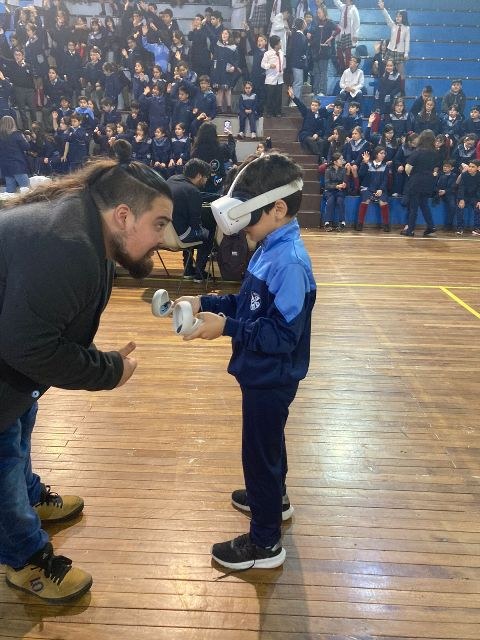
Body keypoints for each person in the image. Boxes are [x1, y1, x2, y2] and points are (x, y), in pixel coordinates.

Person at [0, 139, 173, 603]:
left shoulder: (84, 228)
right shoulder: (68, 244)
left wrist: (99, 359)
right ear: (123, 216)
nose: (163, 238)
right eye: (159, 224)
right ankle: (25, 558)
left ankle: (27, 496)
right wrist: (109, 371)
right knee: (2, 457)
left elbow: (45, 325)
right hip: (9, 359)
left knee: (18, 422)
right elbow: (27, 346)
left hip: (11, 367)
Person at [175, 152, 316, 569]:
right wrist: (206, 302)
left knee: (258, 457)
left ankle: (265, 543)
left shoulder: (290, 263)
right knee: (267, 445)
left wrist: (227, 328)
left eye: (248, 216)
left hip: (271, 377)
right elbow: (248, 304)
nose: (242, 227)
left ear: (278, 209)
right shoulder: (269, 246)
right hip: (260, 373)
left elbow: (282, 336)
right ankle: (274, 499)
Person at [167, 158, 213, 282]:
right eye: (206, 177)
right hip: (180, 236)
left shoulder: (171, 180)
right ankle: (200, 274)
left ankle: (188, 270)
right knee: (208, 234)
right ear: (198, 175)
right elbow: (195, 224)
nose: (206, 180)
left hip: (164, 234)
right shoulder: (193, 192)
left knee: (188, 228)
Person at [402, 129, 439, 237]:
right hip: (429, 181)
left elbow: (408, 167)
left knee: (413, 206)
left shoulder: (417, 151)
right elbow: (436, 168)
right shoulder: (435, 153)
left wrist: (411, 176)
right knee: (424, 204)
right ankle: (431, 226)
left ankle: (410, 230)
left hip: (416, 180)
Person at [356, 146, 391, 232]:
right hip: (368, 188)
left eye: (384, 153)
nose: (383, 155)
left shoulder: (385, 166)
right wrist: (365, 163)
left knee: (383, 202)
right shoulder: (368, 164)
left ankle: (386, 224)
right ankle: (359, 223)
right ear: (376, 154)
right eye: (381, 153)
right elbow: (361, 174)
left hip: (380, 189)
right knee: (365, 200)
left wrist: (381, 189)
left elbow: (385, 180)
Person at [377, 2, 409, 82]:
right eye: (397, 16)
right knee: (386, 68)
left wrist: (406, 53)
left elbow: (407, 41)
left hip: (399, 51)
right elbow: (387, 17)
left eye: (400, 16)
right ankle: (384, 84)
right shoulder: (393, 25)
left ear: (404, 17)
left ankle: (401, 87)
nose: (397, 18)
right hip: (391, 50)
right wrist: (383, 9)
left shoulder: (406, 28)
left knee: (401, 71)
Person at [0, 115, 30, 193]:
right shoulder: (16, 134)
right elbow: (26, 147)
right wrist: (27, 139)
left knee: (10, 191)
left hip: (5, 166)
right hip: (17, 165)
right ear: (12, 123)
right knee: (26, 190)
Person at [261, 35, 285, 118]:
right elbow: (262, 64)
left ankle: (278, 112)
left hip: (280, 78)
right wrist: (269, 65)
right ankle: (269, 112)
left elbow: (283, 63)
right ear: (275, 44)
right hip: (271, 78)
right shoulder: (268, 54)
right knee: (270, 96)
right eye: (279, 42)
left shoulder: (281, 53)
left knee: (278, 96)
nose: (281, 44)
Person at [323, 151, 347, 231]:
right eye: (340, 159)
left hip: (340, 191)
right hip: (330, 191)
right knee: (330, 200)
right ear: (335, 162)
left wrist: (344, 185)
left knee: (340, 200)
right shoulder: (328, 170)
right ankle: (327, 222)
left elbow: (345, 181)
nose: (342, 161)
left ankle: (342, 222)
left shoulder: (343, 170)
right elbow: (327, 185)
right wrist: (336, 186)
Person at [333, 0, 360, 71]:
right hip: (341, 32)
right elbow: (337, 2)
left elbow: (357, 23)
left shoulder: (354, 9)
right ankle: (342, 67)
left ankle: (348, 69)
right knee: (339, 51)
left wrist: (356, 34)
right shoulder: (343, 7)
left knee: (348, 53)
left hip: (349, 33)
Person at [456, 160, 480, 236]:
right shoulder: (464, 175)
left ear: (478, 168)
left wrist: (479, 200)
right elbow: (461, 187)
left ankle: (477, 228)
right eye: (469, 166)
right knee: (460, 207)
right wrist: (461, 199)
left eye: (473, 167)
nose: (470, 168)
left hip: (475, 197)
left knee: (478, 207)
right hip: (464, 196)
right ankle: (460, 228)